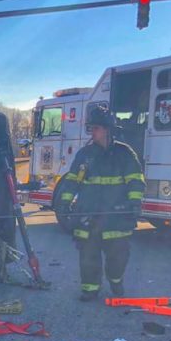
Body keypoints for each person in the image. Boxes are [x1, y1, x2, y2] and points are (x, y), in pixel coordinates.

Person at [57, 106, 145, 301]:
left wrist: (135, 202)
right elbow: (73, 181)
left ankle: (116, 281)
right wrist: (64, 204)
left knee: (118, 257)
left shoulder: (125, 153)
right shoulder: (85, 155)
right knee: (88, 257)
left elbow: (135, 180)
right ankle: (90, 289)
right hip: (88, 215)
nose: (92, 132)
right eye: (91, 128)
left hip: (117, 217)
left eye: (95, 128)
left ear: (107, 129)